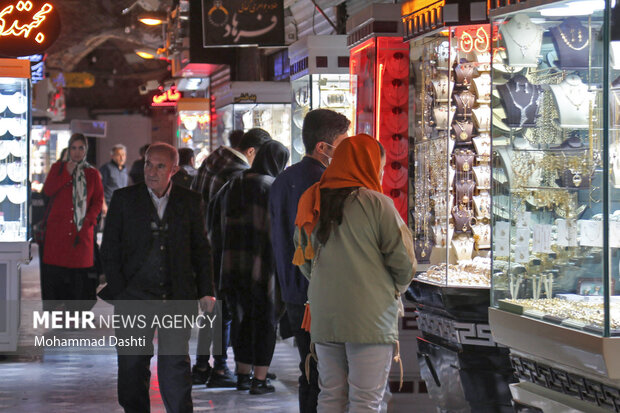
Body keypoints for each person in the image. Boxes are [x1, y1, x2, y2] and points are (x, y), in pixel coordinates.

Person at [293, 134, 416, 413]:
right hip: (370, 317)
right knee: (365, 400)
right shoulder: (377, 204)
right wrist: (391, 289)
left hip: (325, 315)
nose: (381, 174)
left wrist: (328, 283)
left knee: (330, 396)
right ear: (368, 167)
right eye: (380, 168)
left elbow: (303, 259)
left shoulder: (311, 199)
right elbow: (404, 262)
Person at [101, 142, 216, 413]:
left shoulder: (189, 201)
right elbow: (109, 250)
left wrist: (206, 291)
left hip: (176, 297)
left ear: (174, 169)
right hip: (134, 298)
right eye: (148, 164)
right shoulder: (124, 199)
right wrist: (121, 293)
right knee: (131, 366)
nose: (151, 171)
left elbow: (201, 249)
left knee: (175, 366)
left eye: (160, 165)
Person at [269, 108, 350, 413]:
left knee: (308, 371)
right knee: (324, 375)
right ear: (323, 147)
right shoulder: (326, 184)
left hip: (291, 291)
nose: (346, 150)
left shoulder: (282, 180)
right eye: (342, 143)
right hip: (317, 294)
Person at [191, 128, 272, 387]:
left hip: (203, 246)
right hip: (224, 250)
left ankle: (203, 366)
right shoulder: (237, 174)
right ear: (251, 152)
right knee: (224, 312)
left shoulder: (211, 161)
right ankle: (221, 369)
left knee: (211, 310)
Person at [217, 139, 289, 395]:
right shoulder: (271, 186)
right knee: (266, 322)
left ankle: (242, 376)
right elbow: (279, 231)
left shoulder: (233, 183)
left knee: (241, 320)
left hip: (234, 265)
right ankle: (260, 380)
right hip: (264, 266)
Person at [40, 133, 104, 311]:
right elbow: (48, 190)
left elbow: (98, 200)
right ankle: (59, 308)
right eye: (73, 148)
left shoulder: (92, 173)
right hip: (58, 229)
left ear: (86, 150)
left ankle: (78, 309)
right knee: (58, 270)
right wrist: (67, 174)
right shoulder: (58, 168)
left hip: (82, 230)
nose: (77, 152)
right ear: (69, 149)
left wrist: (89, 220)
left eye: (81, 148)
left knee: (79, 272)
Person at [100, 143, 128, 215]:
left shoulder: (125, 170)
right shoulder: (106, 168)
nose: (121, 157)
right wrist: (103, 205)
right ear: (112, 156)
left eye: (123, 155)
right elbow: (100, 188)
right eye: (119, 155)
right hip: (108, 205)